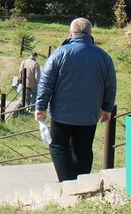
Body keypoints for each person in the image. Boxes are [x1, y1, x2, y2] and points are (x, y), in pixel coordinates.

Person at [35, 18, 116, 181]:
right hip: (89, 114)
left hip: (61, 114)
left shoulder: (60, 53)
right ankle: (81, 182)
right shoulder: (104, 57)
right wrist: (107, 108)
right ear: (90, 33)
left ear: (71, 32)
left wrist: (41, 106)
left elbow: (46, 82)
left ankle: (67, 181)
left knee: (58, 146)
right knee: (83, 149)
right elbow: (110, 84)